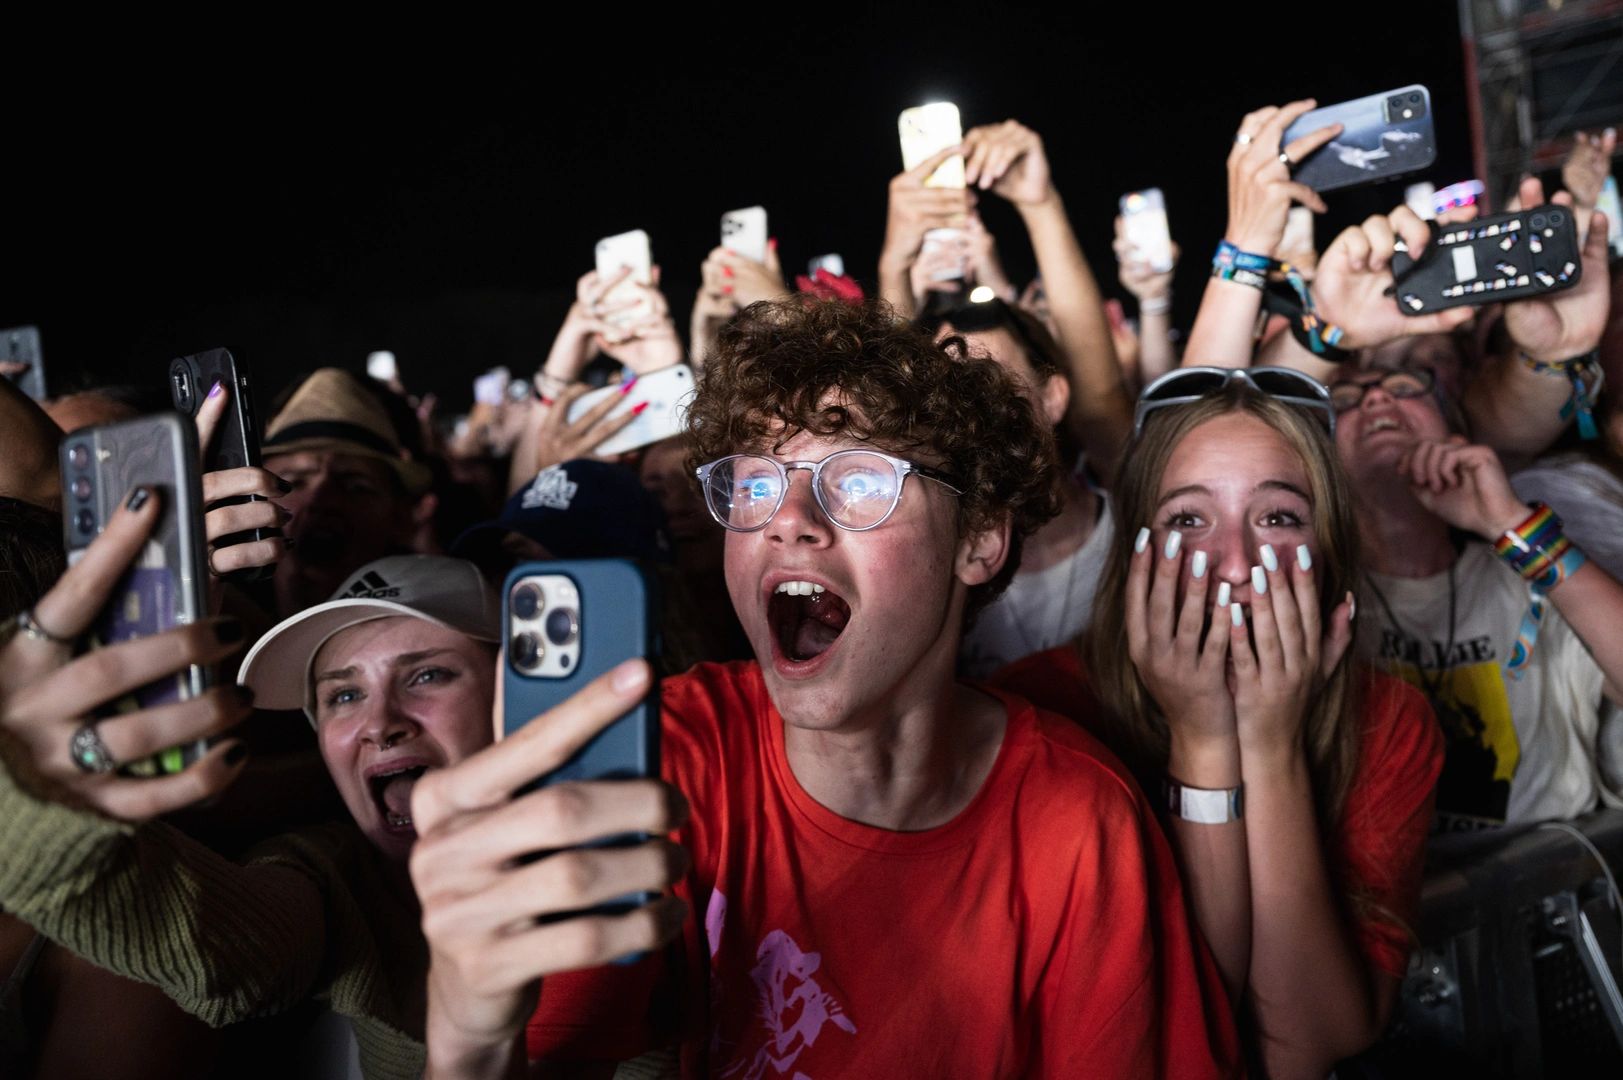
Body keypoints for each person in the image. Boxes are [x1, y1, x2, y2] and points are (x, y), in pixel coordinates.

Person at [417, 299, 1240, 1078]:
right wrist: (466, 1047)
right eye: (756, 482)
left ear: (979, 539)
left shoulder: (1078, 820)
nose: (787, 518)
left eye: (858, 481)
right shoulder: (666, 760)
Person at [0, 523, 686, 1079]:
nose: (381, 722)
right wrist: (33, 805)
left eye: (427, 674)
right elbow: (216, 952)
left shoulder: (663, 848)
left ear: (519, 696)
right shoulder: (329, 879)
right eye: (343, 694)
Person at [994, 367, 1444, 1077]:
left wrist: (1270, 744)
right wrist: (1201, 738)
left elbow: (1307, 1045)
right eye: (1187, 521)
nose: (1236, 565)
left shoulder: (1388, 721)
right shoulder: (1036, 709)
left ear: (1327, 546)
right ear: (1135, 549)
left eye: (1277, 517)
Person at [263, 368, 436, 619]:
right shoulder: (211, 608)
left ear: (400, 517)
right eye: (294, 482)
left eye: (356, 486)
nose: (320, 499)